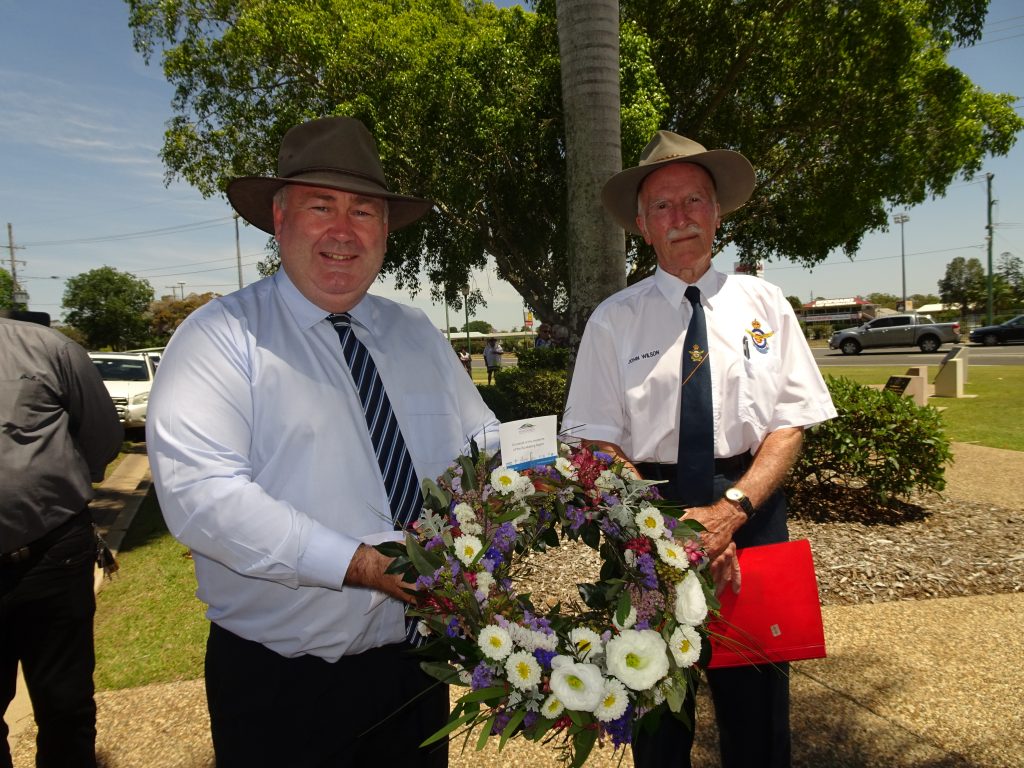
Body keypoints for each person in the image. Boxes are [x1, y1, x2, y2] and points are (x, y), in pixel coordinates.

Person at [146, 116, 500, 767]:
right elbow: (203, 497)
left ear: (385, 231)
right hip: (283, 690)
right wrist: (367, 564)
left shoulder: (416, 333)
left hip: (414, 672)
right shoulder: (218, 338)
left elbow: (483, 444)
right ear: (279, 221)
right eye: (320, 206)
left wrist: (545, 487)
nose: (343, 230)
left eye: (363, 211)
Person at [562, 131, 837, 768]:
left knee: (759, 720)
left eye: (694, 200)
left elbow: (789, 425)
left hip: (752, 513)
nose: (680, 217)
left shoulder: (765, 304)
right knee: (657, 722)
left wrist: (732, 509)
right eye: (662, 206)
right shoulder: (613, 319)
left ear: (717, 213)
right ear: (641, 225)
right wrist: (664, 530)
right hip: (645, 520)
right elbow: (597, 443)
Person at [1, 315, 123, 768]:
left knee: (65, 705)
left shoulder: (46, 347)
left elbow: (102, 434)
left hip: (51, 556)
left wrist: (56, 489)